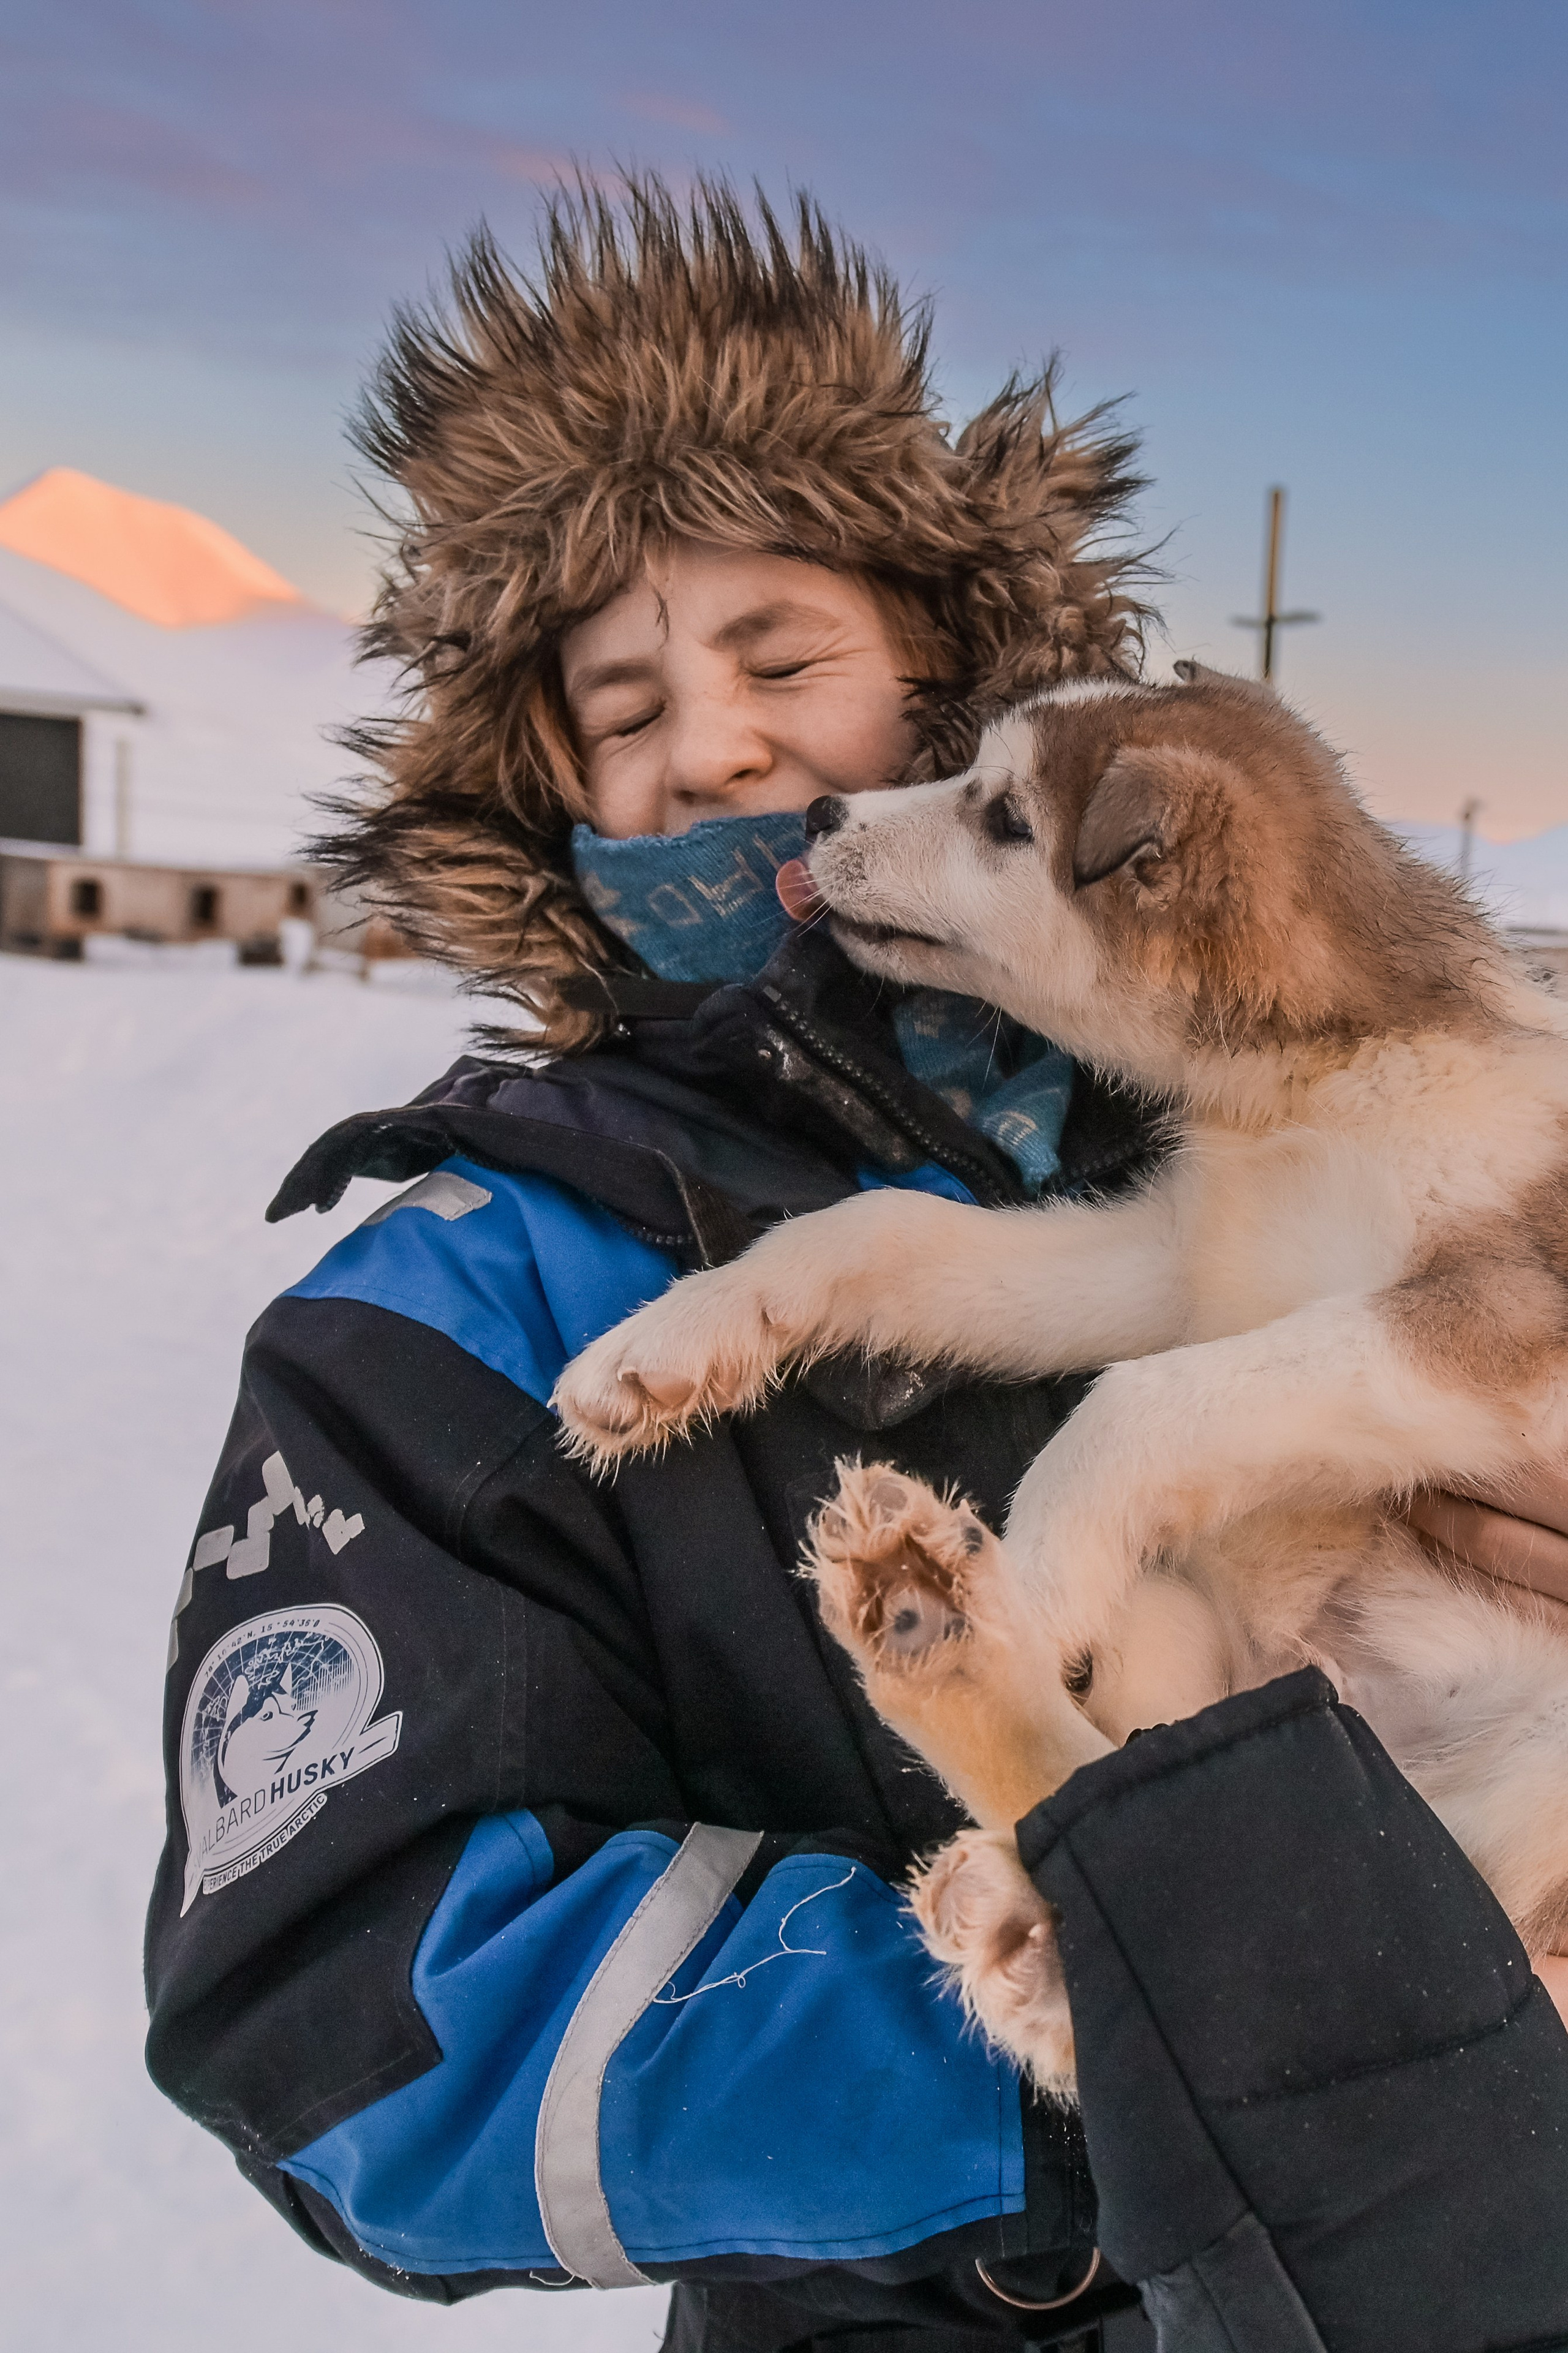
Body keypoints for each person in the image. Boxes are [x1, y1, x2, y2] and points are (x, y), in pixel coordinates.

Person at [146, 181, 1568, 2352]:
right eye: (617, 706)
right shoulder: (459, 1297)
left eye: (780, 654)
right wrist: (1160, 2012)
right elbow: (356, 2026)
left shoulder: (1237, 1092)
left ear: (945, 668)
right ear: (542, 794)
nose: (710, 743)